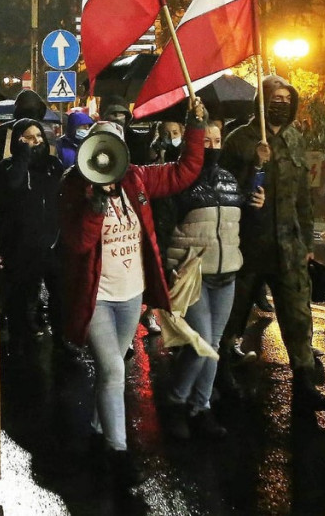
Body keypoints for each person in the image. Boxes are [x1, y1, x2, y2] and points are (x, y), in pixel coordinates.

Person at [59, 97, 206, 486]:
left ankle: (95, 429)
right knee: (112, 368)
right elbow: (76, 244)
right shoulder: (74, 187)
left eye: (115, 149)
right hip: (97, 298)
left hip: (131, 294)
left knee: (114, 368)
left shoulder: (137, 178)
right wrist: (93, 206)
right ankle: (119, 453)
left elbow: (185, 171)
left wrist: (194, 127)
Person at [219, 75, 325, 412]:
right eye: (276, 97)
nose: (281, 104)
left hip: (288, 246)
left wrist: (308, 238)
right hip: (246, 245)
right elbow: (223, 190)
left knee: (298, 316)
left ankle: (304, 384)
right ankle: (221, 374)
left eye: (288, 98)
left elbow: (304, 196)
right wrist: (252, 166)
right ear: (263, 99)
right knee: (233, 314)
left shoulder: (295, 140)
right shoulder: (238, 140)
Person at [161, 121, 264, 439]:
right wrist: (168, 268)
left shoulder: (229, 180)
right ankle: (176, 402)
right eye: (205, 140)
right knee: (201, 344)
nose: (212, 146)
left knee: (214, 346)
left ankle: (200, 406)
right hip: (194, 276)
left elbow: (240, 226)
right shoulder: (179, 179)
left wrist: (256, 207)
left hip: (226, 275)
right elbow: (164, 226)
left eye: (217, 140)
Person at [0, 118, 65, 352]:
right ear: (17, 141)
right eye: (28, 137)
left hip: (53, 246)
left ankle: (61, 342)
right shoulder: (7, 167)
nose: (35, 142)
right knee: (23, 299)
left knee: (60, 298)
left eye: (38, 137)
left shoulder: (54, 166)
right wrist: (22, 156)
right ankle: (22, 347)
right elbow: (12, 186)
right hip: (21, 249)